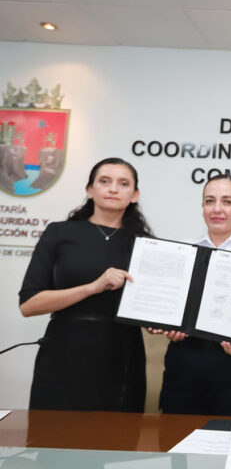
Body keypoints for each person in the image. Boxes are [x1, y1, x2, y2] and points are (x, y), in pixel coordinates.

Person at [18, 157, 153, 411]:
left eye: (123, 184)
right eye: (105, 181)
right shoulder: (59, 233)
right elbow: (28, 305)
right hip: (63, 354)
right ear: (90, 190)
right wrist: (93, 287)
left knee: (117, 435)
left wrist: (159, 323)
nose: (113, 189)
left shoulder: (146, 245)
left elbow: (153, 308)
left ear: (134, 195)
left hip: (123, 357)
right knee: (53, 433)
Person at [155, 175, 231, 416]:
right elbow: (169, 308)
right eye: (210, 201)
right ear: (202, 207)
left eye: (227, 201)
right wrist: (170, 326)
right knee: (177, 433)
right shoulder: (183, 250)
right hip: (186, 358)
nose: (217, 209)